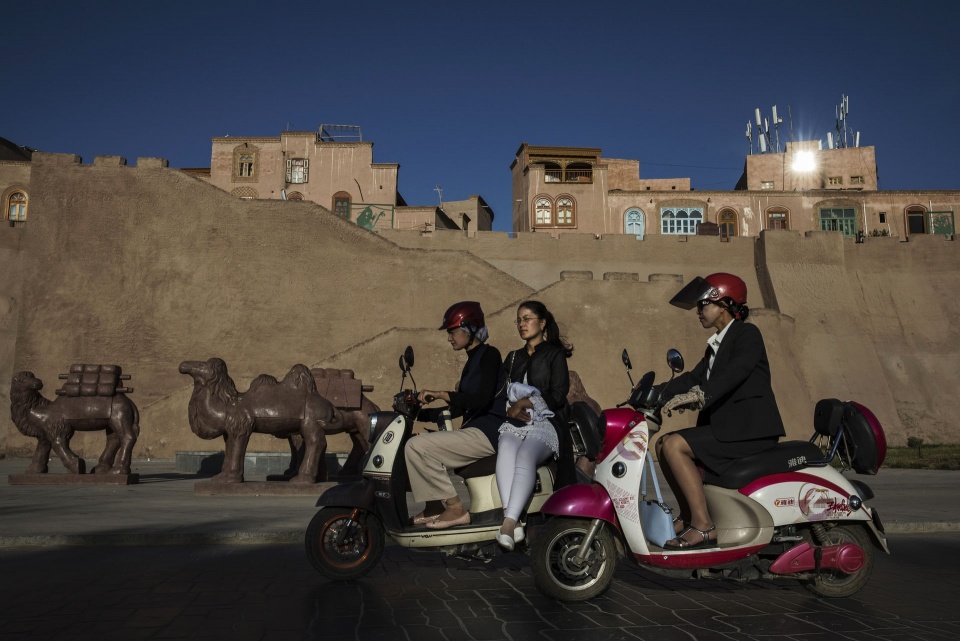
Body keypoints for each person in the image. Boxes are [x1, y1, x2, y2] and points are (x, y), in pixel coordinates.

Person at [654, 273, 785, 550]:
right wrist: (655, 393)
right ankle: (689, 516)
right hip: (728, 428)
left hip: (749, 430)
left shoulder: (747, 334)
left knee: (676, 446)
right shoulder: (716, 344)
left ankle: (703, 526)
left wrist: (701, 395)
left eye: (703, 305)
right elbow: (692, 378)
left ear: (724, 303)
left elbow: (735, 372)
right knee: (663, 443)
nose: (699, 311)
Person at [405, 301, 507, 529]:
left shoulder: (490, 355)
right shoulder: (471, 362)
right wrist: (419, 413)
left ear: (469, 328)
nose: (449, 337)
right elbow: (460, 408)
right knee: (413, 442)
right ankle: (433, 506)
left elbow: (481, 399)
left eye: (452, 331)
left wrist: (441, 393)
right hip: (474, 431)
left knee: (418, 447)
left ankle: (454, 508)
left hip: (489, 432)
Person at [495, 300, 574, 550]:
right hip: (515, 423)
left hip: (545, 422)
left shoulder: (554, 354)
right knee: (506, 447)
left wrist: (525, 403)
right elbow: (500, 394)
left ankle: (507, 523)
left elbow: (558, 394)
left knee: (525, 456)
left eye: (527, 318)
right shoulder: (513, 357)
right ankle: (514, 520)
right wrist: (511, 409)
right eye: (519, 320)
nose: (522, 324)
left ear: (542, 322)